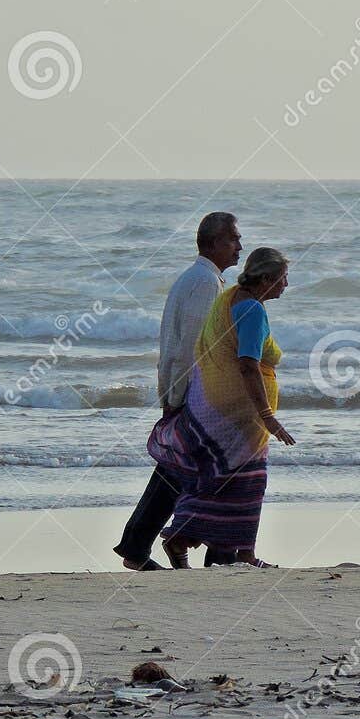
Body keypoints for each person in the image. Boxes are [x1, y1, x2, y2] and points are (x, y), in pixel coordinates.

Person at [113, 211, 242, 571]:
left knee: (179, 469)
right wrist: (185, 399)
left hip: (185, 390)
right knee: (198, 470)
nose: (239, 247)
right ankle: (211, 551)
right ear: (214, 243)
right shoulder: (204, 283)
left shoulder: (199, 278)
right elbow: (192, 347)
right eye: (234, 239)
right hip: (192, 393)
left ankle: (145, 546)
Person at [152, 247, 295, 568]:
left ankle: (187, 541)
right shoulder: (252, 311)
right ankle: (232, 551)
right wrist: (268, 417)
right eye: (284, 278)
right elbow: (247, 365)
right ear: (267, 279)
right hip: (236, 419)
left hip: (215, 411)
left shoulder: (230, 297)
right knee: (247, 483)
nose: (287, 284)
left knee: (220, 481)